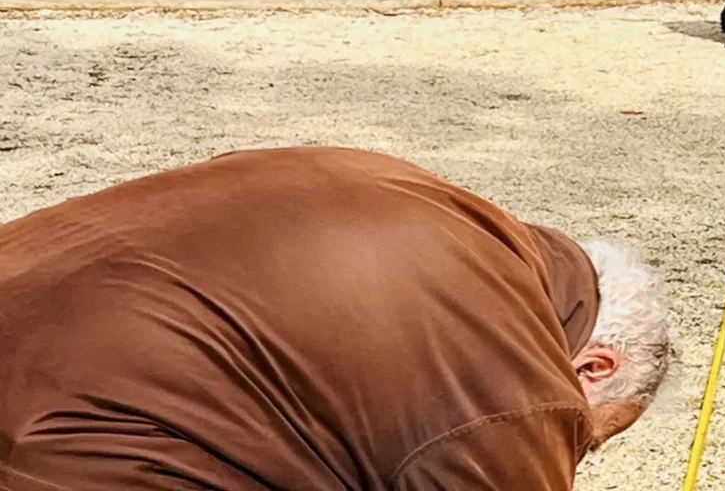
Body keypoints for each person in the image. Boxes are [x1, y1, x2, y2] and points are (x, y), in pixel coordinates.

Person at [0, 146, 672, 490]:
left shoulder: (417, 197)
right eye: (585, 440)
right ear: (593, 366)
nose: (570, 455)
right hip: (68, 444)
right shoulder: (514, 372)